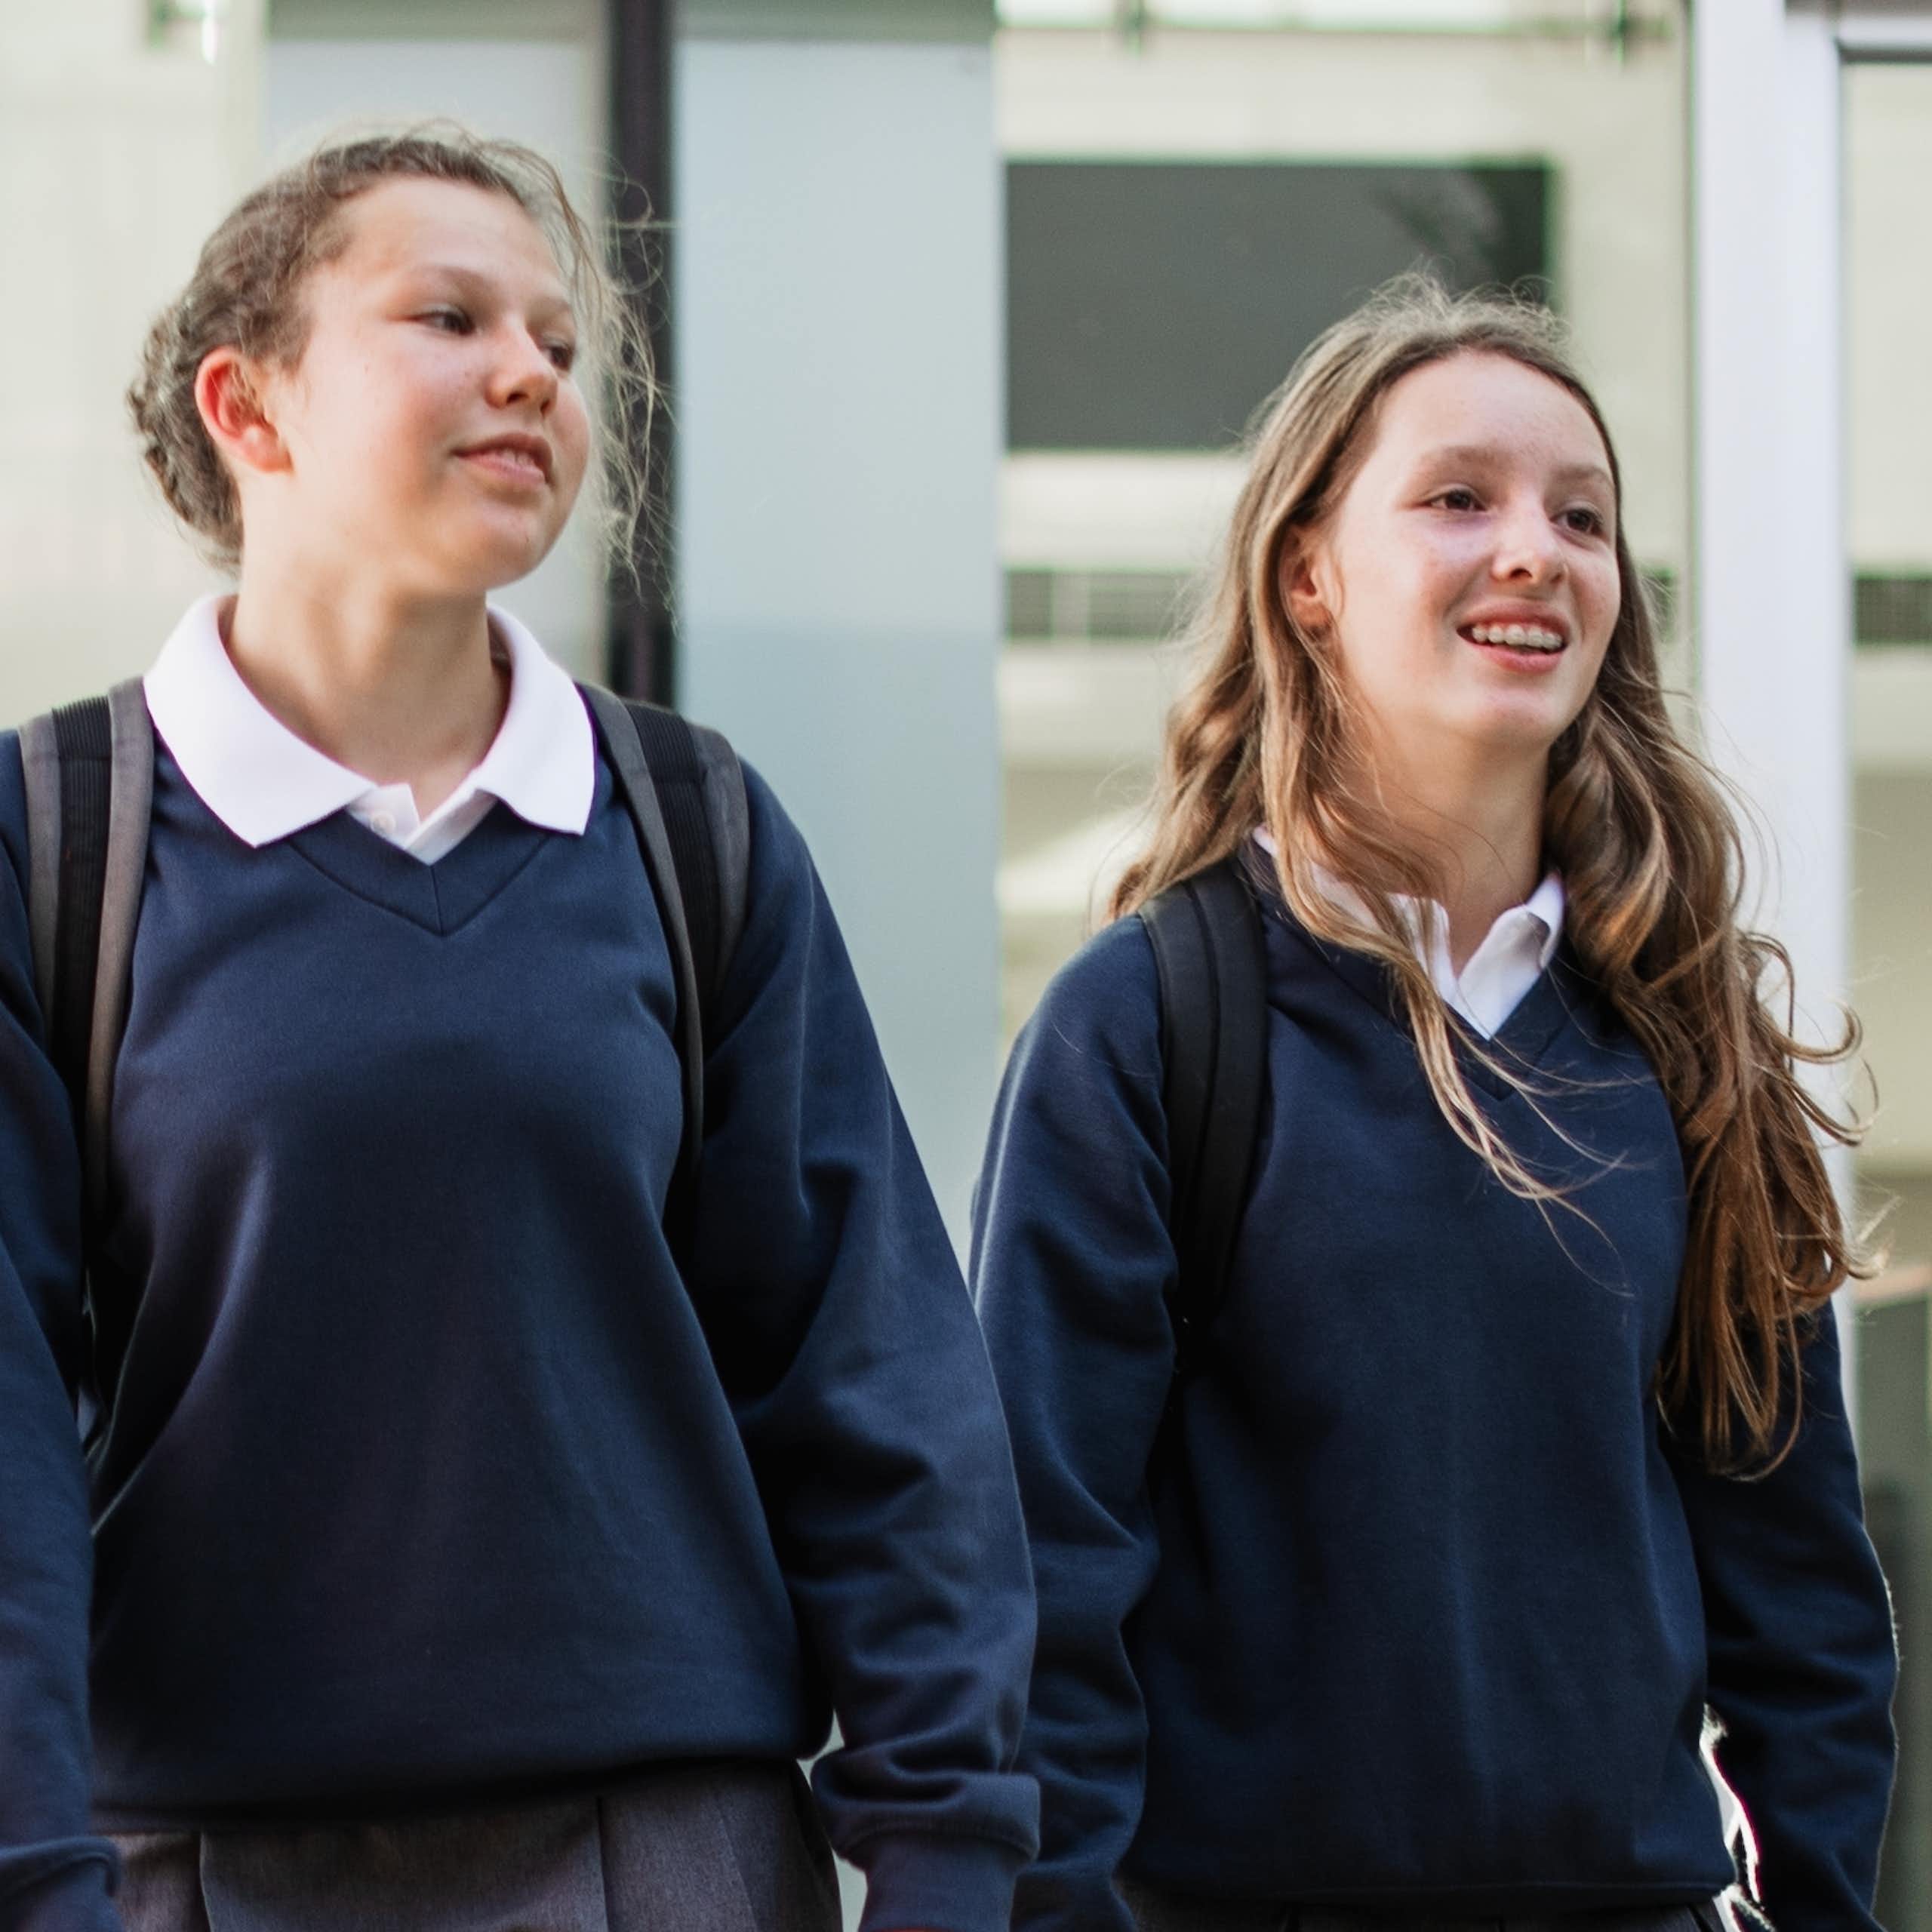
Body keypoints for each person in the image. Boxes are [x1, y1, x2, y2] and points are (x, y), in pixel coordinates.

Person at [0, 129, 1036, 1932]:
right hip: (194, 1874)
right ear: (251, 409)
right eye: (448, 315)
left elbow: (875, 1382)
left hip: (673, 1863)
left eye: (558, 342)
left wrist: (949, 1855)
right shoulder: (51, 843)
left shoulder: (692, 830)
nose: (531, 373)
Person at [971, 277, 1897, 1932]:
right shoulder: (1146, 1025)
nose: (1533, 549)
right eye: (1457, 498)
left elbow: (1802, 1600)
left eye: (1580, 515)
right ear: (1307, 576)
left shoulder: (1685, 1043)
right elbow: (1041, 1581)